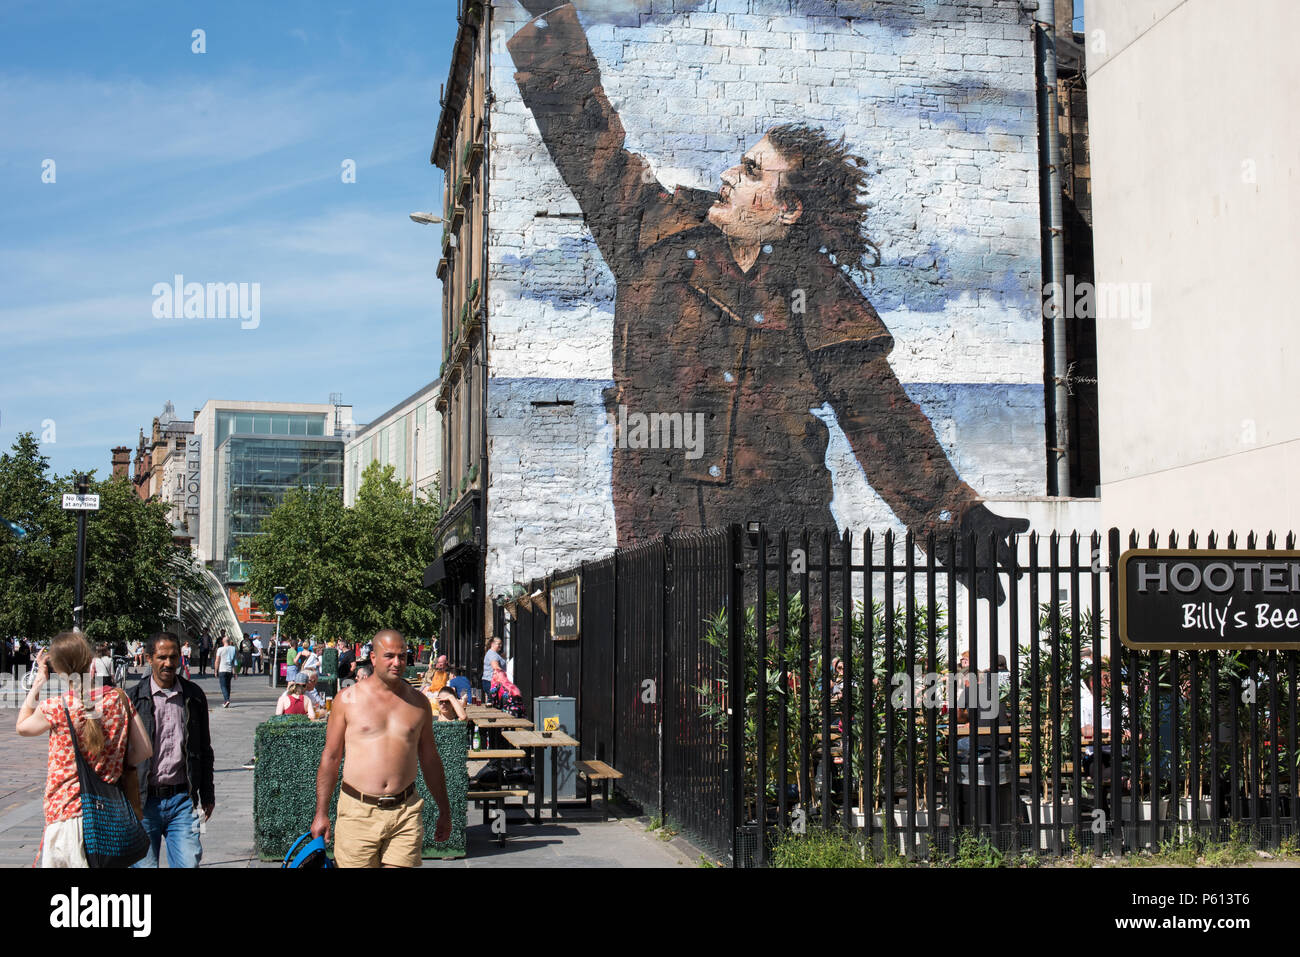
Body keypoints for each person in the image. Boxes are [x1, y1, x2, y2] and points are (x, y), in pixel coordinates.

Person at [506, 1, 1028, 602]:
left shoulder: (818, 292)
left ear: (788, 210)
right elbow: (586, 141)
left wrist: (959, 527)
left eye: (753, 172)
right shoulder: (651, 233)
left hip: (787, 563)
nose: (730, 174)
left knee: (800, 694)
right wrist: (552, 21)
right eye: (740, 163)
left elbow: (880, 420)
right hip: (663, 556)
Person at [312, 630, 452, 867]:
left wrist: (444, 810)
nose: (397, 662)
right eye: (389, 656)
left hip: (405, 812)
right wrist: (321, 812)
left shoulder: (418, 703)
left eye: (402, 656)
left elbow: (430, 759)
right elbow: (331, 757)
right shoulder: (347, 700)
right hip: (358, 811)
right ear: (373, 658)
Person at [16, 632, 153, 867]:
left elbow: (22, 727)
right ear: (91, 661)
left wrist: (38, 683)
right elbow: (144, 751)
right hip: (109, 815)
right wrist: (112, 762)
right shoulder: (119, 699)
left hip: (66, 816)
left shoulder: (55, 707)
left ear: (58, 669)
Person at [128, 631, 216, 868]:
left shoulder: (193, 696)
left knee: (189, 863)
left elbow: (204, 749)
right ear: (148, 658)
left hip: (183, 801)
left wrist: (207, 794)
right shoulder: (133, 699)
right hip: (143, 802)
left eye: (174, 657)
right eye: (162, 657)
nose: (169, 663)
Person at [214, 635, 238, 708]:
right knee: (228, 686)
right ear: (229, 641)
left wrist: (215, 670)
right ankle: (226, 701)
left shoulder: (220, 649)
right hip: (230, 670)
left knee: (223, 686)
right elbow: (235, 662)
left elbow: (217, 660)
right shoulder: (233, 649)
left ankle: (227, 700)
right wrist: (235, 672)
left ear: (222, 641)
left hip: (222, 670)